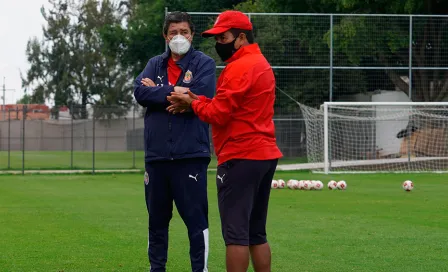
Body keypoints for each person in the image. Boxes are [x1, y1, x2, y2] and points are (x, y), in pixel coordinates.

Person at [167, 10, 283, 272]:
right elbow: (228, 106)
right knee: (256, 233)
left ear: (241, 37)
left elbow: (218, 114)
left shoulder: (238, 67)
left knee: (236, 235)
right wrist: (196, 100)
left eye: (223, 37)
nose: (219, 43)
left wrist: (191, 103)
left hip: (240, 155)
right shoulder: (261, 63)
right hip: (265, 154)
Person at [133, 11, 215, 272]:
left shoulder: (204, 63)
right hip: (156, 158)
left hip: (190, 156)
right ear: (165, 36)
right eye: (173, 33)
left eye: (184, 32)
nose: (179, 37)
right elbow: (140, 92)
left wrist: (161, 93)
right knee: (157, 222)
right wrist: (177, 93)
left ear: (192, 34)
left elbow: (203, 94)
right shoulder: (154, 64)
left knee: (195, 221)